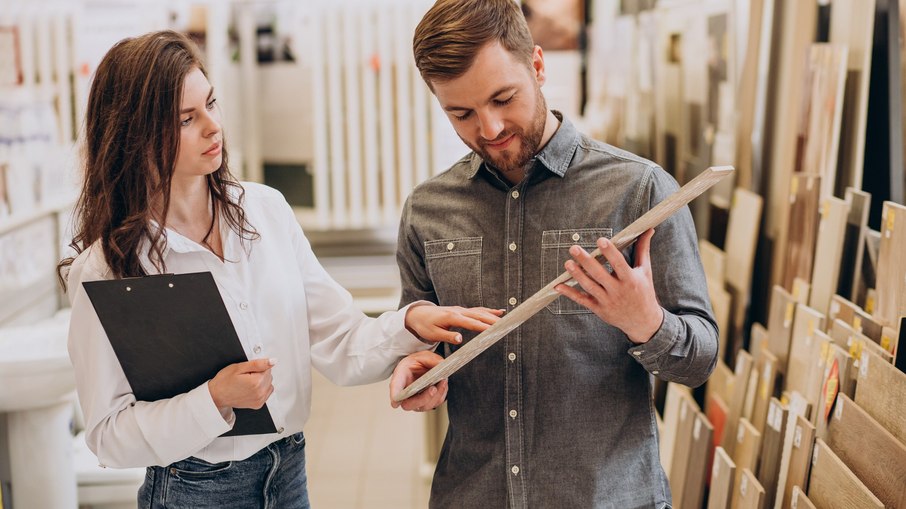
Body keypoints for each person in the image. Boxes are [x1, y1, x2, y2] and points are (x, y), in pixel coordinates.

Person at [59, 30, 501, 508]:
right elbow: (107, 435)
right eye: (187, 119)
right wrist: (213, 399)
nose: (213, 127)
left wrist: (408, 324)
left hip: (287, 474)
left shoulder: (265, 211)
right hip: (192, 491)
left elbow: (342, 342)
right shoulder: (107, 270)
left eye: (211, 103)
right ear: (136, 137)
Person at [388, 1, 719, 507]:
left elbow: (699, 361)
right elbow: (421, 336)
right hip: (474, 493)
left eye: (504, 98)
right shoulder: (428, 210)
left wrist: (645, 321)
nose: (491, 128)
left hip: (606, 496)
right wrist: (419, 365)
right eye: (462, 113)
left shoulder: (640, 192)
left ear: (538, 66)